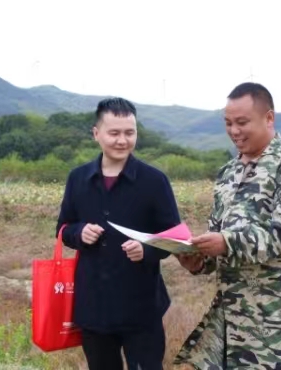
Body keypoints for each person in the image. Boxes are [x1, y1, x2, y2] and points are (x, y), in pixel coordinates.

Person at [173, 82, 281, 369]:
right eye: (228, 123)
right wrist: (198, 260)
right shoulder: (228, 173)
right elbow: (218, 235)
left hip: (276, 323)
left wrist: (226, 242)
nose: (234, 131)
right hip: (231, 317)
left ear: (269, 118)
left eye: (242, 122)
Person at [56, 97, 181, 370]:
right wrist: (79, 232)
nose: (122, 140)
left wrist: (146, 250)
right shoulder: (78, 178)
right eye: (114, 133)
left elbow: (175, 238)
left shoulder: (154, 181)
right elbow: (63, 229)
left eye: (129, 133)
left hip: (141, 307)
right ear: (96, 133)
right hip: (94, 305)